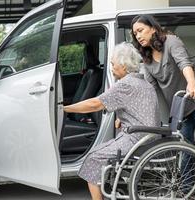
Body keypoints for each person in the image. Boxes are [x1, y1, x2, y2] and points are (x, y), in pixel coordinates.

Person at [131, 14, 195, 200]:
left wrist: (192, 84)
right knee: (184, 146)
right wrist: (156, 118)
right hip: (181, 105)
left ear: (153, 28)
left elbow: (184, 63)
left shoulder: (171, 41)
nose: (138, 36)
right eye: (135, 34)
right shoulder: (146, 59)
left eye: (141, 30)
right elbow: (151, 91)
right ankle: (187, 191)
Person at [64, 42, 160, 200]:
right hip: (146, 135)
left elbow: (95, 104)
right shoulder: (141, 81)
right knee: (99, 153)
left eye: (113, 63)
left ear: (123, 65)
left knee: (93, 158)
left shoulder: (126, 84)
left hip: (137, 138)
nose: (111, 67)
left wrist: (65, 108)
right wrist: (121, 118)